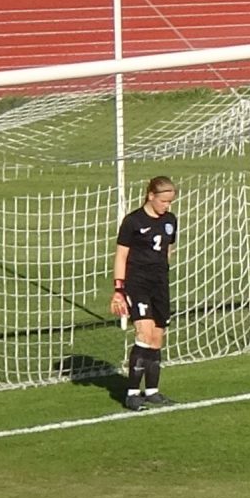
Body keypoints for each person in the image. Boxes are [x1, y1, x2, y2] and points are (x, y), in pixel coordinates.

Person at [110, 176, 178, 411]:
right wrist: (119, 290)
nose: (167, 206)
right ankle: (131, 394)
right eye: (163, 201)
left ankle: (152, 391)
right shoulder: (133, 222)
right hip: (137, 284)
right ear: (150, 195)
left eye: (170, 202)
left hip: (160, 285)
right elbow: (121, 256)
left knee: (157, 338)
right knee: (145, 334)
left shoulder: (170, 220)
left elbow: (168, 250)